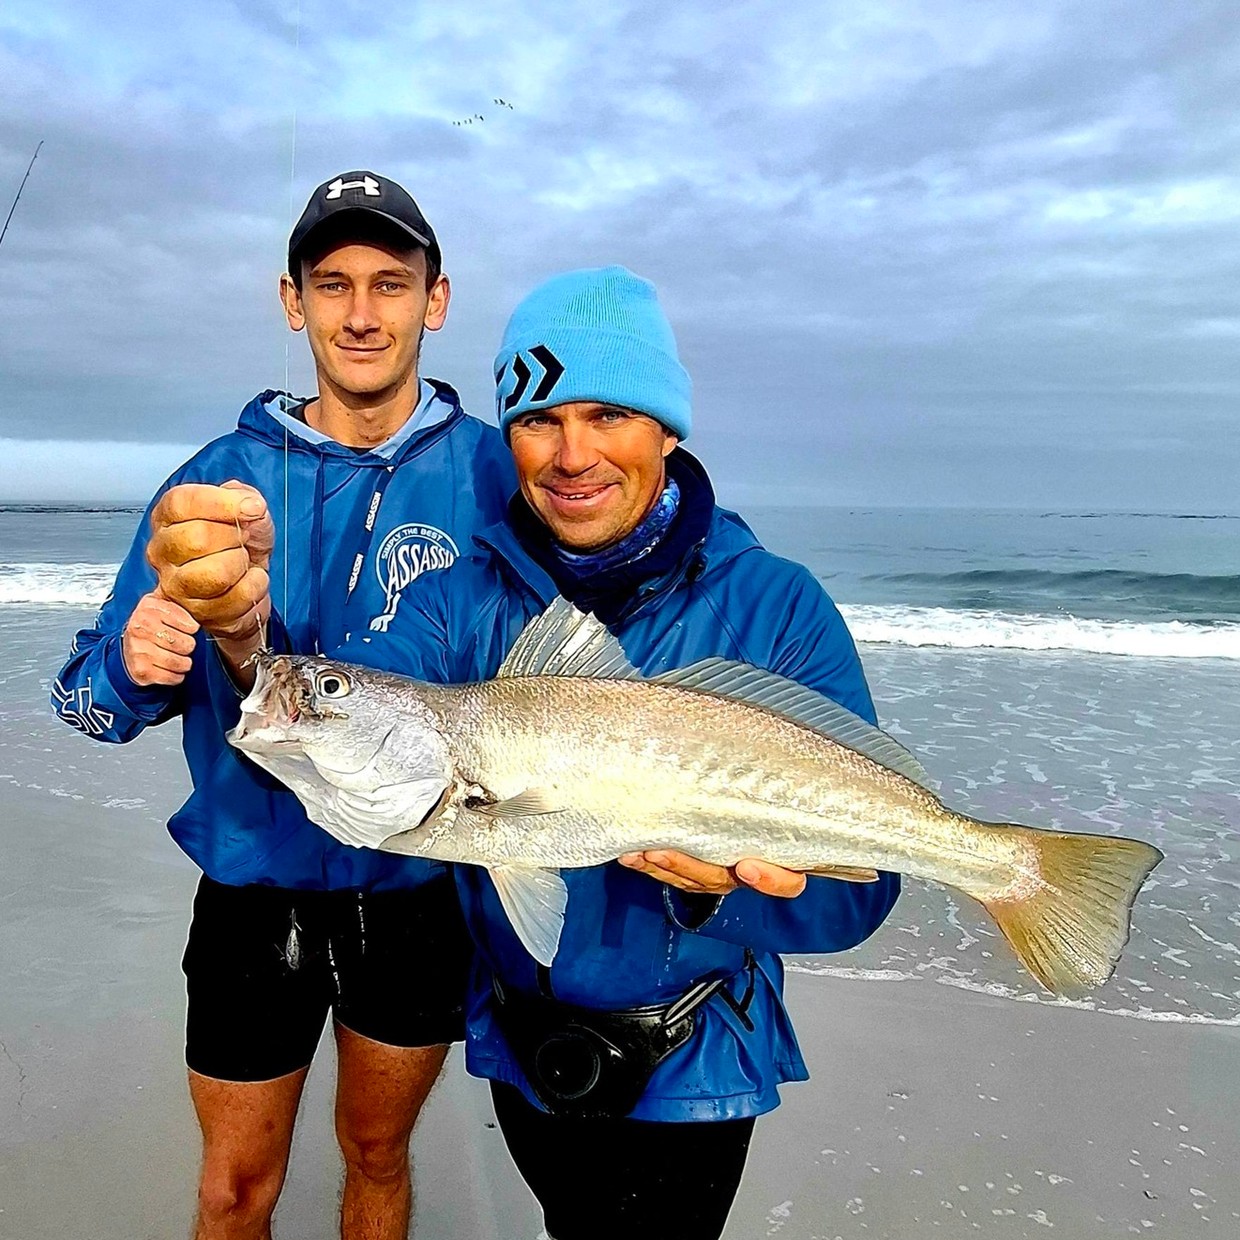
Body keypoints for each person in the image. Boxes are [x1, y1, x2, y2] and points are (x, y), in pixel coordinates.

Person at [335, 266, 901, 1239]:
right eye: (539, 419)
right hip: (520, 1048)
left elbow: (865, 886)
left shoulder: (774, 606)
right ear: (507, 433)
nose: (572, 455)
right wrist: (235, 644)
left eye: (609, 414)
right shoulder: (453, 600)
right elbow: (372, 743)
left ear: (667, 429)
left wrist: (719, 888)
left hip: (691, 1061)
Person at [50, 171, 515, 1240]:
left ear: (435, 300)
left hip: (417, 887)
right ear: (290, 299)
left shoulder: (495, 477)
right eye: (333, 283)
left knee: (376, 1155)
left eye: (390, 284)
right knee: (233, 1189)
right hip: (253, 894)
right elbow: (84, 703)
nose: (361, 313)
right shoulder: (216, 478)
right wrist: (134, 661)